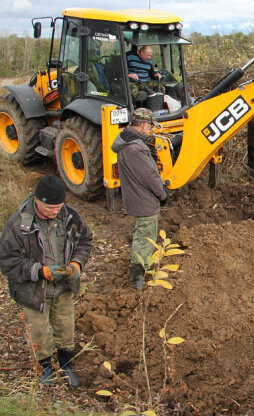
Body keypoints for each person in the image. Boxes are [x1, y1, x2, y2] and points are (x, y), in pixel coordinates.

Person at [0, 174, 93, 387]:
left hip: (63, 287)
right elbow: (7, 260)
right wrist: (40, 271)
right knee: (39, 332)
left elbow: (85, 240)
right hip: (33, 292)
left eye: (59, 206)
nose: (56, 211)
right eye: (51, 208)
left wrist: (77, 264)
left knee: (66, 328)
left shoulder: (70, 216)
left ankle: (66, 365)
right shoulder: (18, 224)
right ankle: (44, 368)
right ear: (37, 201)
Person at [111, 108, 169, 289]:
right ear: (144, 124)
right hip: (144, 200)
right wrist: (162, 193)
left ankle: (140, 269)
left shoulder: (127, 143)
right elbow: (150, 176)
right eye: (150, 125)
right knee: (145, 236)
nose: (151, 129)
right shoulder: (136, 148)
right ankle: (139, 277)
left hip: (135, 196)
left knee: (142, 233)